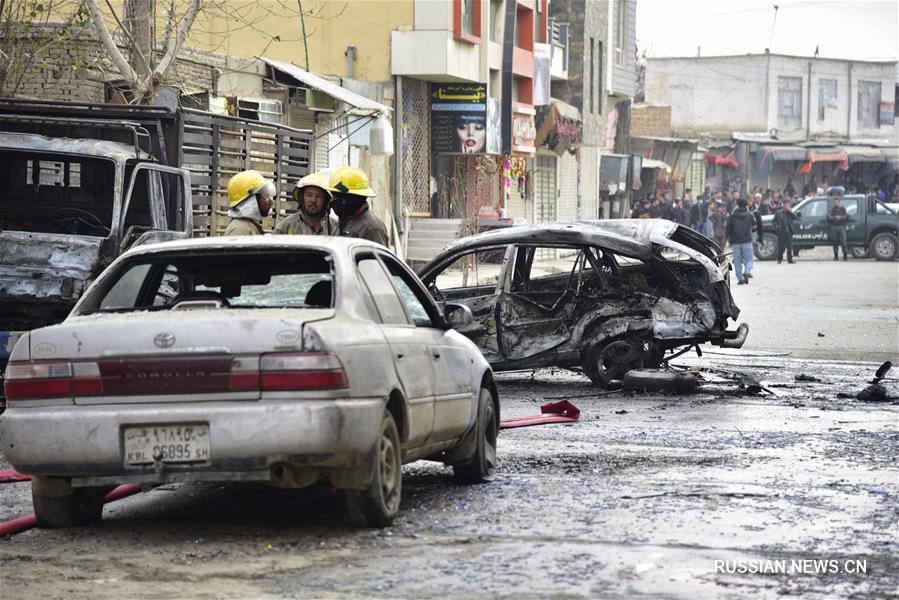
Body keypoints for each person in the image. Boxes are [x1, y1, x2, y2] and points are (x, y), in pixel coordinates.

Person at [328, 166, 389, 246]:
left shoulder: (372, 228)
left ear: (346, 200)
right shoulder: (344, 222)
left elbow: (377, 257)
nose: (331, 201)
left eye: (334, 197)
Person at [224, 170, 275, 236]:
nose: (271, 203)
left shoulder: (248, 225)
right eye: (266, 197)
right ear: (251, 199)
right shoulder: (241, 229)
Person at [727, 198, 755, 284]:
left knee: (737, 261)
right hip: (747, 241)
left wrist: (729, 240)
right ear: (746, 205)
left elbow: (728, 229)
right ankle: (747, 271)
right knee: (749, 259)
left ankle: (740, 279)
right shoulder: (750, 215)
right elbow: (754, 226)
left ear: (737, 205)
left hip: (735, 242)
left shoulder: (732, 216)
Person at [773, 198, 799, 264]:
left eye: (788, 204)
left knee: (789, 246)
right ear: (783, 205)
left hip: (789, 231)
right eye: (786, 204)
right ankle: (779, 259)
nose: (788, 205)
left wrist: (790, 211)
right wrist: (776, 227)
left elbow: (796, 218)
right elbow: (774, 221)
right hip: (781, 231)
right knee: (781, 247)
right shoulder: (778, 212)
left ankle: (790, 259)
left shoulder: (790, 212)